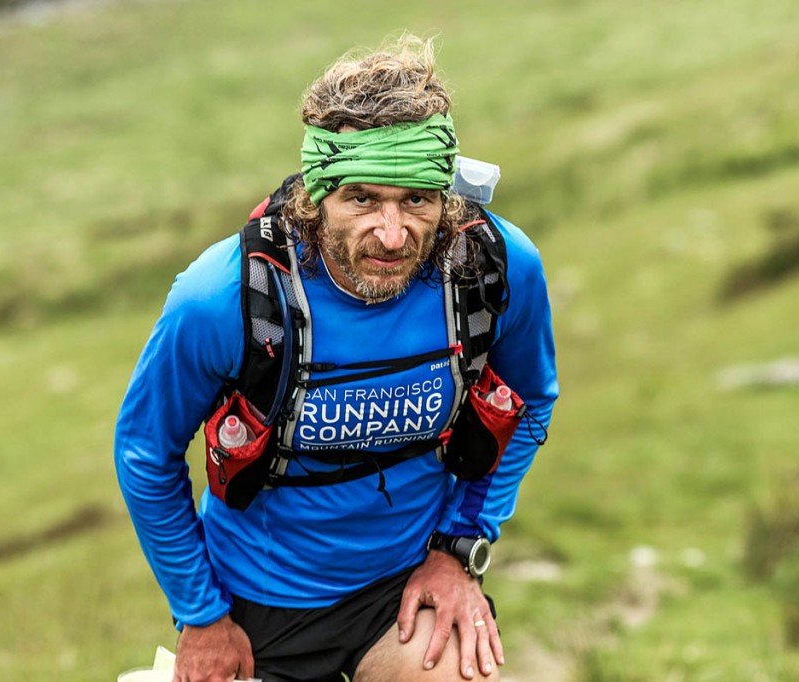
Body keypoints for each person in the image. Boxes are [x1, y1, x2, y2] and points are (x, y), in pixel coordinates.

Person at [114, 34, 558, 682]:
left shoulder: (493, 268)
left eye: (416, 200)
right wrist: (202, 617)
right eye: (362, 199)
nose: (392, 233)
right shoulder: (222, 298)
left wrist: (459, 550)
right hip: (258, 604)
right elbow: (144, 454)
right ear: (317, 194)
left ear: (446, 196)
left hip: (403, 588)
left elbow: (531, 399)